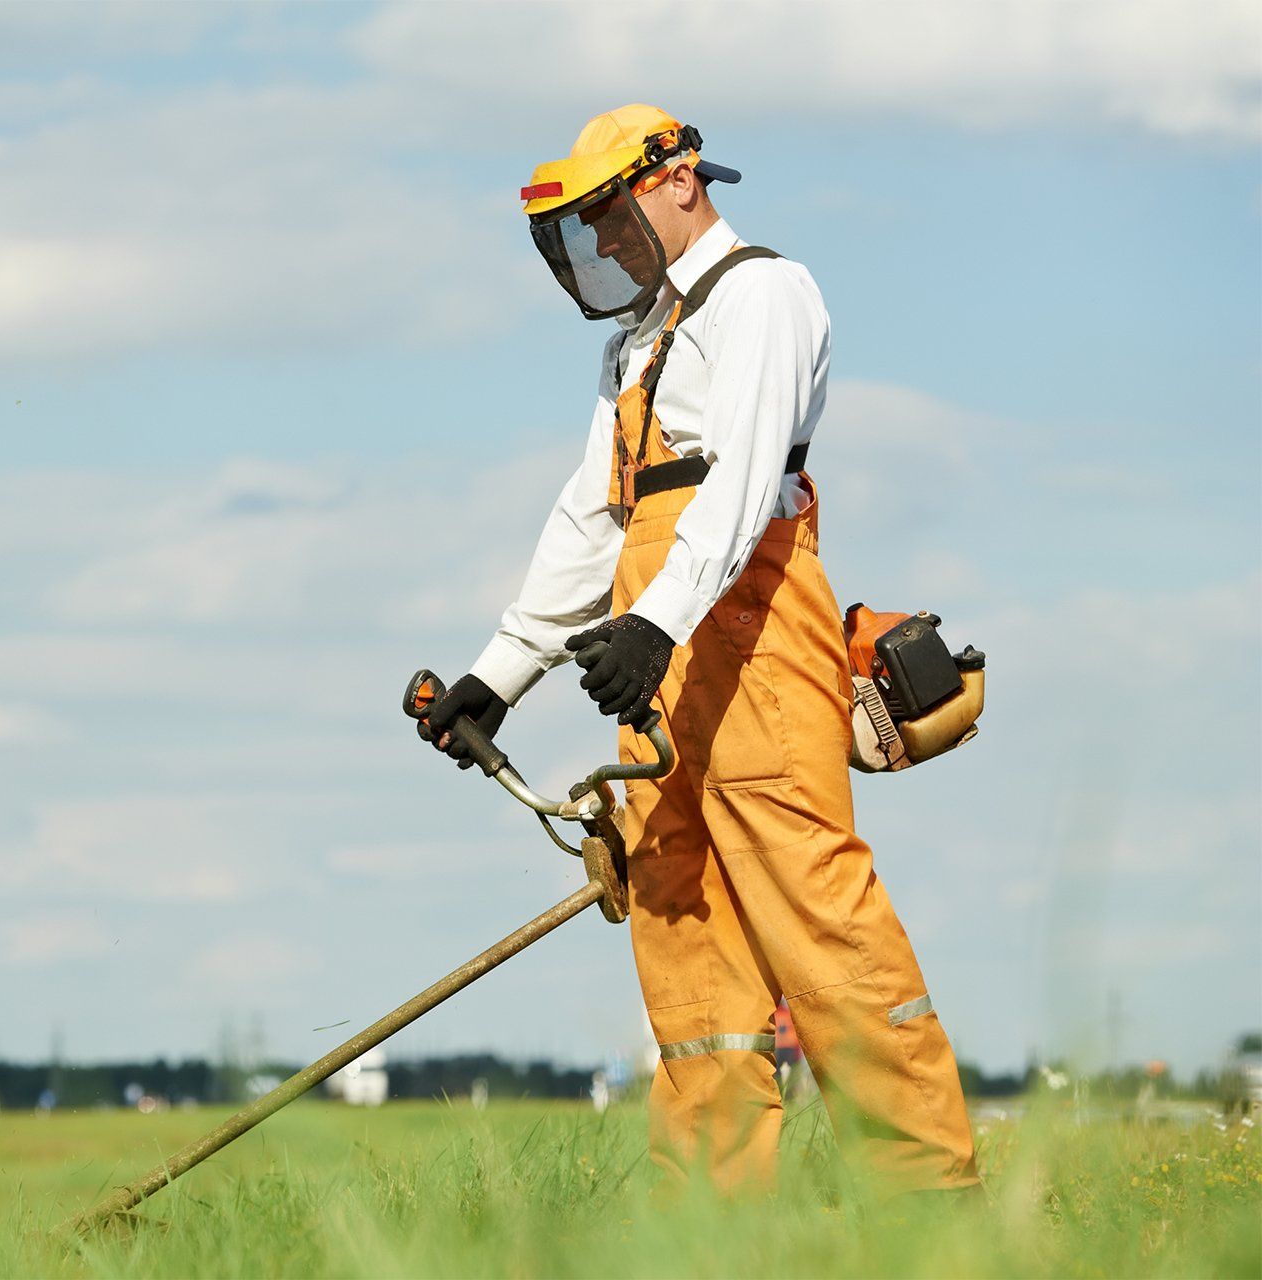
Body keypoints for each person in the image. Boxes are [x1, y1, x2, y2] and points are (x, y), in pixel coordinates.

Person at [418, 104, 979, 1194]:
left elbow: (740, 481)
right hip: (659, 642)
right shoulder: (634, 346)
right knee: (682, 929)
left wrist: (655, 622)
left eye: (614, 217)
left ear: (679, 180)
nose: (609, 246)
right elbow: (594, 518)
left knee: (817, 917)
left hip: (750, 635)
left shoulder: (764, 292)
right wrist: (499, 674)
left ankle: (931, 1207)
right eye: (589, 233)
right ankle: (709, 1227)